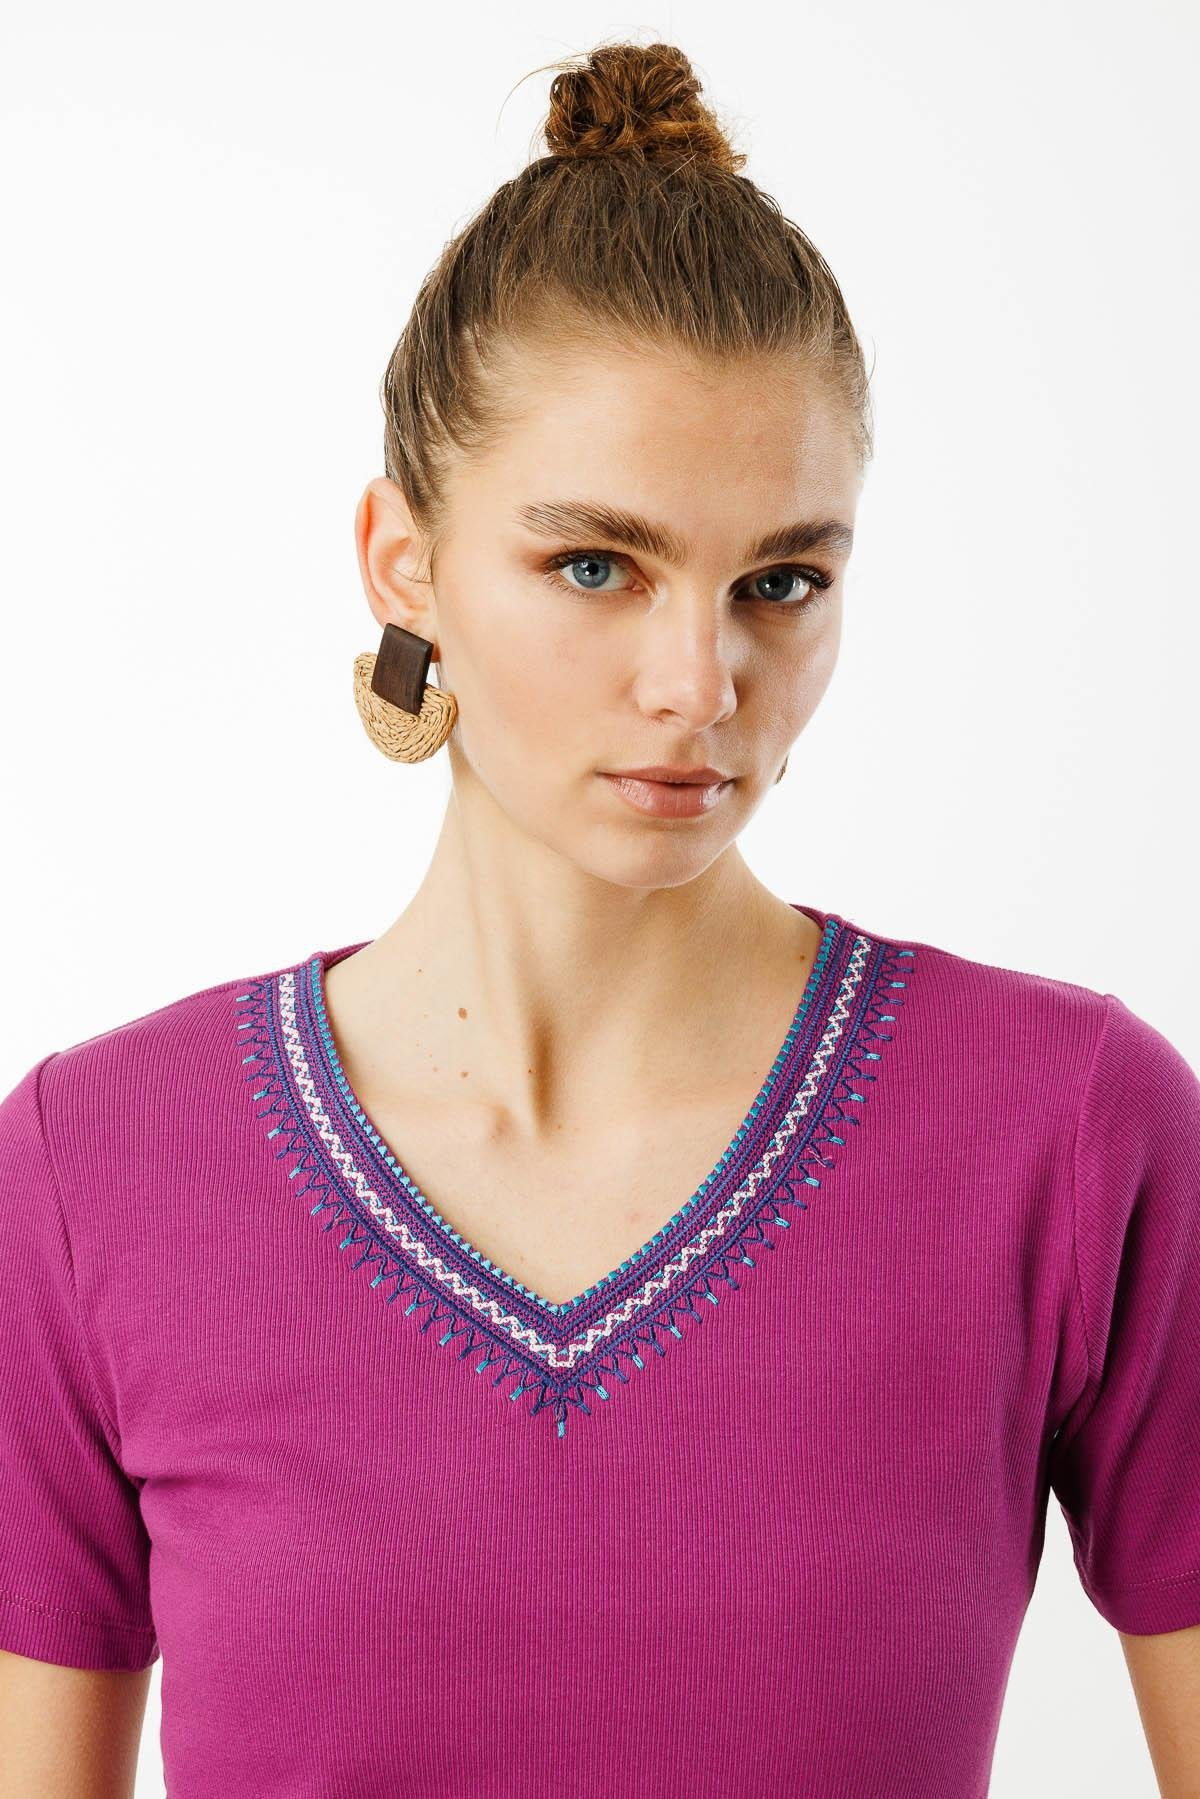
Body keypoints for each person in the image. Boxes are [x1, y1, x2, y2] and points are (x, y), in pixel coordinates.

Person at [1, 37, 1197, 1799]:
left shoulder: (1072, 1133)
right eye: (594, 565)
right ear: (405, 562)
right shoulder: (96, 1170)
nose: (698, 683)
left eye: (780, 580)